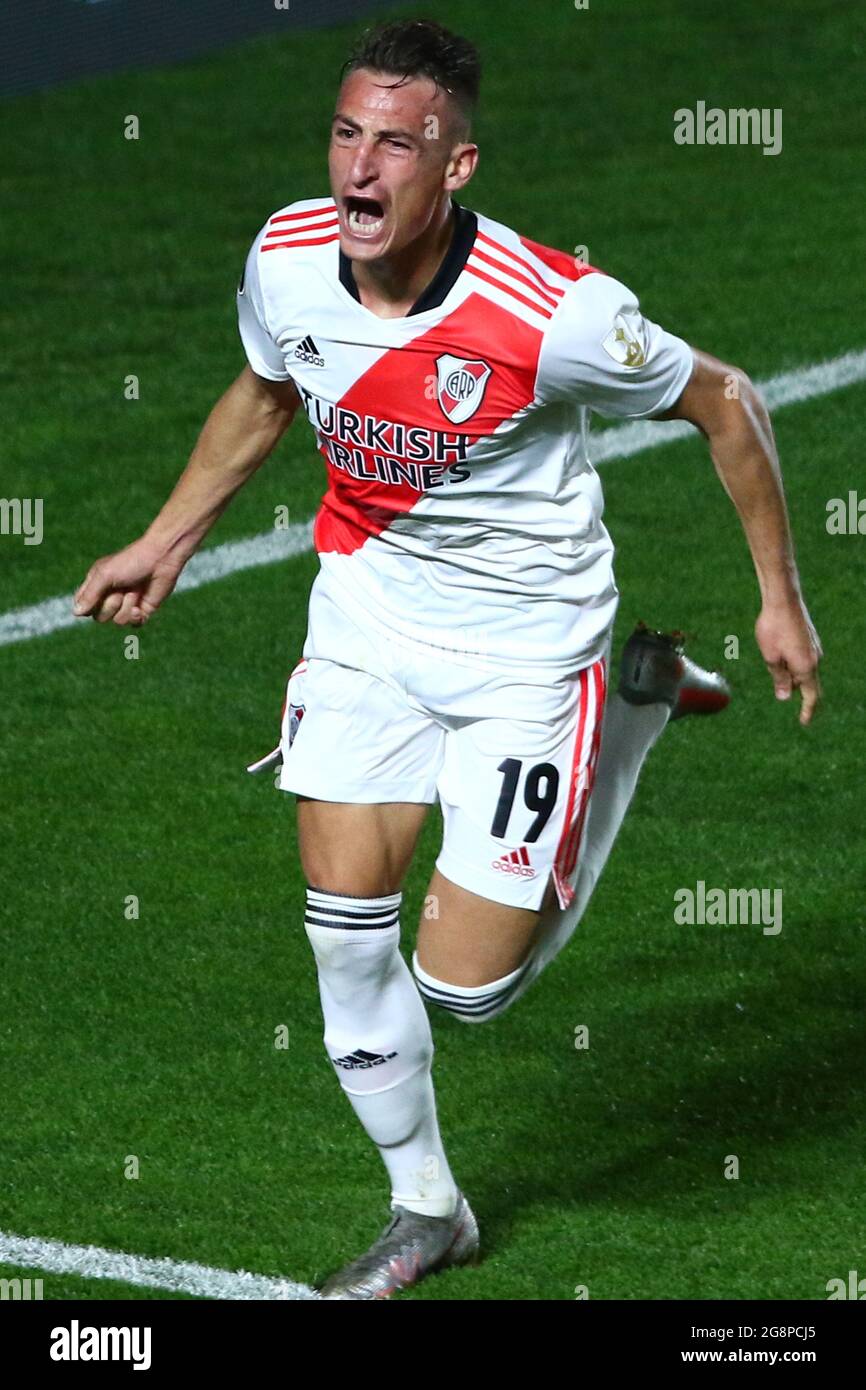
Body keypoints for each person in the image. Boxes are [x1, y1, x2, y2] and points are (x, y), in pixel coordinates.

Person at [73, 19, 822, 1301]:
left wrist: (777, 600)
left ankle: (631, 714)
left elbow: (729, 400)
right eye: (345, 132)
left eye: (397, 144)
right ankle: (427, 1207)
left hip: (530, 655)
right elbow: (265, 392)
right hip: (364, 623)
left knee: (461, 992)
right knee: (343, 944)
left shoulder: (555, 315)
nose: (359, 169)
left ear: (455, 166)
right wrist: (167, 540)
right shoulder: (287, 256)